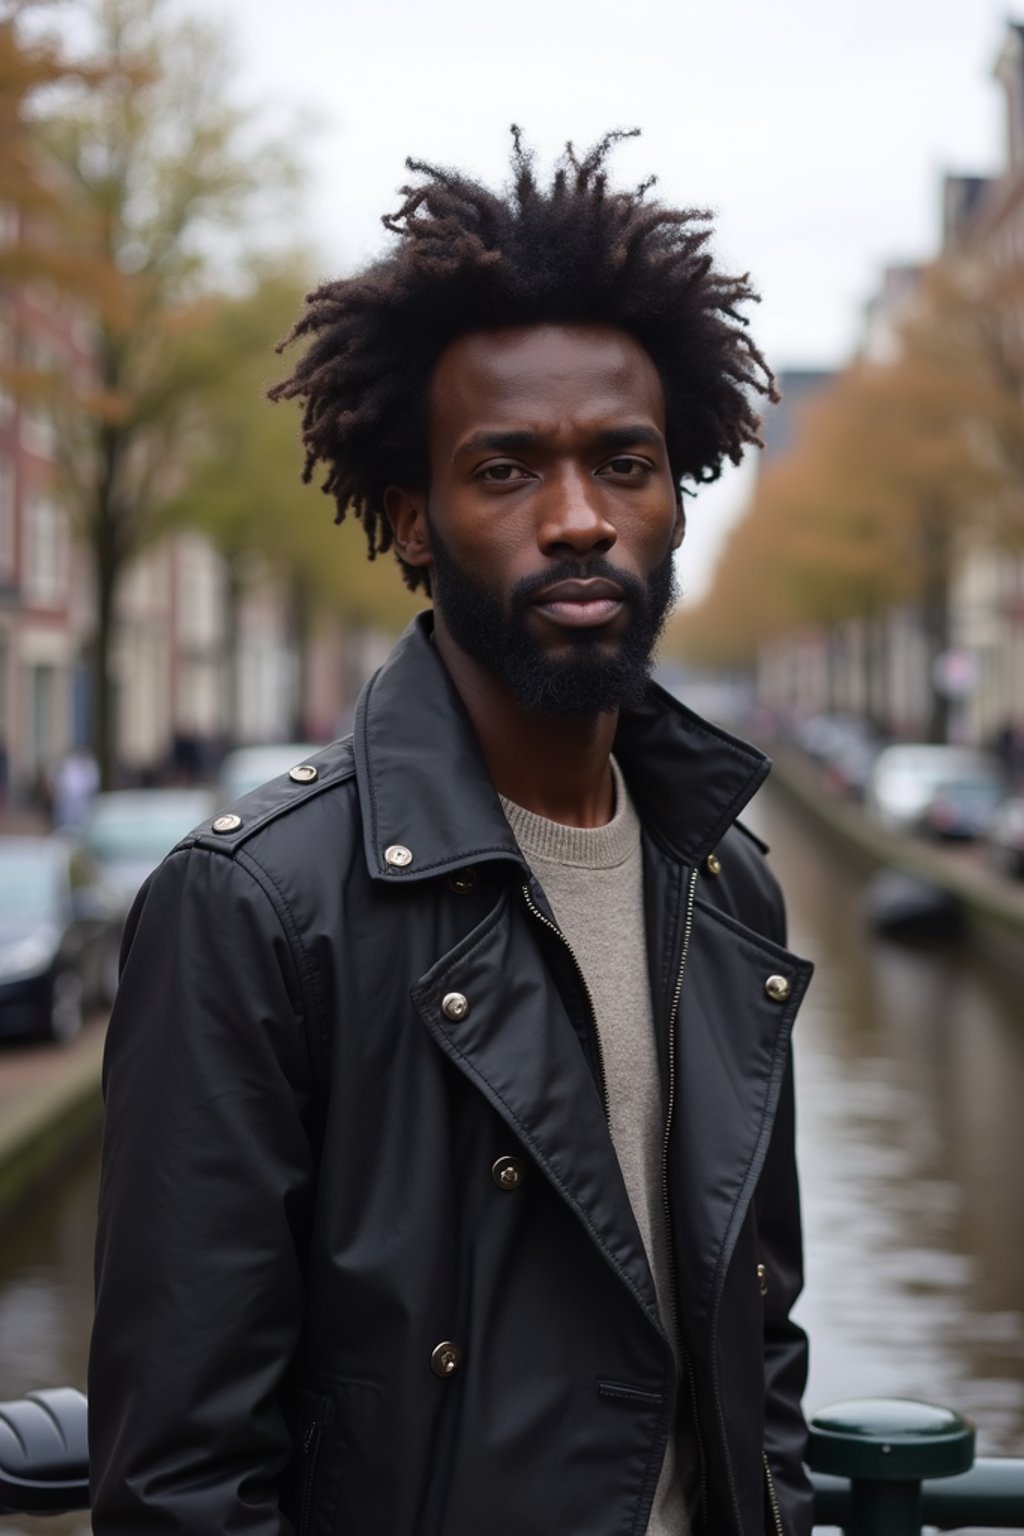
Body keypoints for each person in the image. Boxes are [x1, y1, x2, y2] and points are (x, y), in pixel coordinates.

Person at [89, 131, 814, 1536]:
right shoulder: (254, 911)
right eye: (505, 471)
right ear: (413, 522)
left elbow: (756, 1339)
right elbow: (182, 1482)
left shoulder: (732, 886)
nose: (578, 519)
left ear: (677, 500)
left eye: (624, 462)